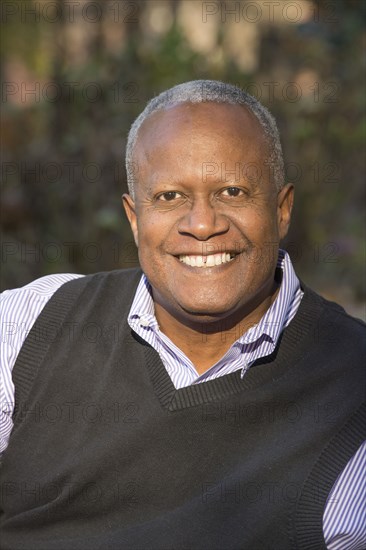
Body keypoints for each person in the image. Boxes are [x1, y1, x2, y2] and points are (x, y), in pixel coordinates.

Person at [0, 80, 364, 550]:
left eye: (232, 191)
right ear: (134, 218)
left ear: (282, 209)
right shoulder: (31, 325)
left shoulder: (352, 392)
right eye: (170, 197)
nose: (202, 224)